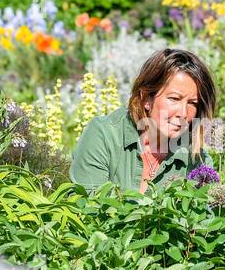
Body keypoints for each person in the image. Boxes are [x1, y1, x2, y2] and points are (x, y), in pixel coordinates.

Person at [69, 48, 217, 194]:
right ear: (146, 98)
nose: (183, 113)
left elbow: (205, 214)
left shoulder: (198, 162)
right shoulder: (103, 135)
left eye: (192, 103)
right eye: (174, 99)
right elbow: (87, 208)